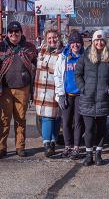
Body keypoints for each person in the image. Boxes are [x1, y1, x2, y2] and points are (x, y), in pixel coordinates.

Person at [75, 30, 109, 166]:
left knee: (101, 128)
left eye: (102, 40)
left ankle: (98, 155)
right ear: (93, 42)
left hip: (103, 99)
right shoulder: (85, 56)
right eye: (97, 40)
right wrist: (83, 88)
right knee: (88, 129)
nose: (99, 43)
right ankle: (89, 155)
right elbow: (78, 74)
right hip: (87, 99)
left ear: (105, 42)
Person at [0, 21, 37, 158]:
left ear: (21, 33)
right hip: (5, 89)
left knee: (20, 119)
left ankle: (20, 147)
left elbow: (36, 64)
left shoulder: (30, 47)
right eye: (11, 32)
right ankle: (1, 147)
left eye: (16, 31)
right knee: (4, 119)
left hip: (23, 88)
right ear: (7, 33)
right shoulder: (2, 47)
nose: (14, 34)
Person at [54, 31, 84, 160]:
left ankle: (76, 147)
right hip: (67, 94)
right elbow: (58, 76)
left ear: (81, 44)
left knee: (78, 122)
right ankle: (68, 146)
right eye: (73, 42)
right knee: (65, 122)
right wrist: (60, 94)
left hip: (80, 94)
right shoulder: (63, 57)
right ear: (70, 44)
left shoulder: (86, 56)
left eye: (78, 42)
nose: (75, 45)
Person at [34, 28, 63, 157]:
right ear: (46, 39)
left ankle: (52, 142)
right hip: (41, 89)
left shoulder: (63, 53)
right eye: (49, 38)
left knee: (55, 117)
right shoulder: (41, 51)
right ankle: (47, 144)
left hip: (55, 89)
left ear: (59, 38)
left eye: (54, 37)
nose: (52, 40)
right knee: (46, 117)